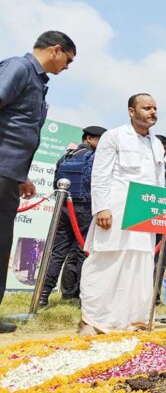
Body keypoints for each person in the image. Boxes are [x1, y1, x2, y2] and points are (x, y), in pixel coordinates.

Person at [0, 30, 76, 333]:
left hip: (9, 174)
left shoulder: (38, 83)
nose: (66, 68)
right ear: (56, 50)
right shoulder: (19, 68)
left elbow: (18, 130)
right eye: (68, 60)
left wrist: (22, 175)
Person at [79, 93, 166, 335]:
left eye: (155, 108)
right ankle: (93, 320)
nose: (152, 112)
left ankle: (134, 319)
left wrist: (159, 213)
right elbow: (100, 174)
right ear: (131, 111)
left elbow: (158, 182)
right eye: (147, 107)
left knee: (139, 265)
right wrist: (101, 208)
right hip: (115, 211)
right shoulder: (114, 136)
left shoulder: (156, 143)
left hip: (144, 213)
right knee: (106, 262)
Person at [39, 125, 106, 307]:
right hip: (84, 209)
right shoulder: (94, 158)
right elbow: (97, 185)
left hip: (64, 208)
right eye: (100, 140)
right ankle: (79, 297)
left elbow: (56, 184)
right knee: (82, 253)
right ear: (90, 139)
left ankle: (43, 295)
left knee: (58, 253)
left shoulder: (66, 156)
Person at [153, 134, 166, 304]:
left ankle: (155, 295)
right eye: (161, 147)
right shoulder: (145, 166)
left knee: (162, 259)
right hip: (144, 221)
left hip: (164, 223)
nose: (164, 151)